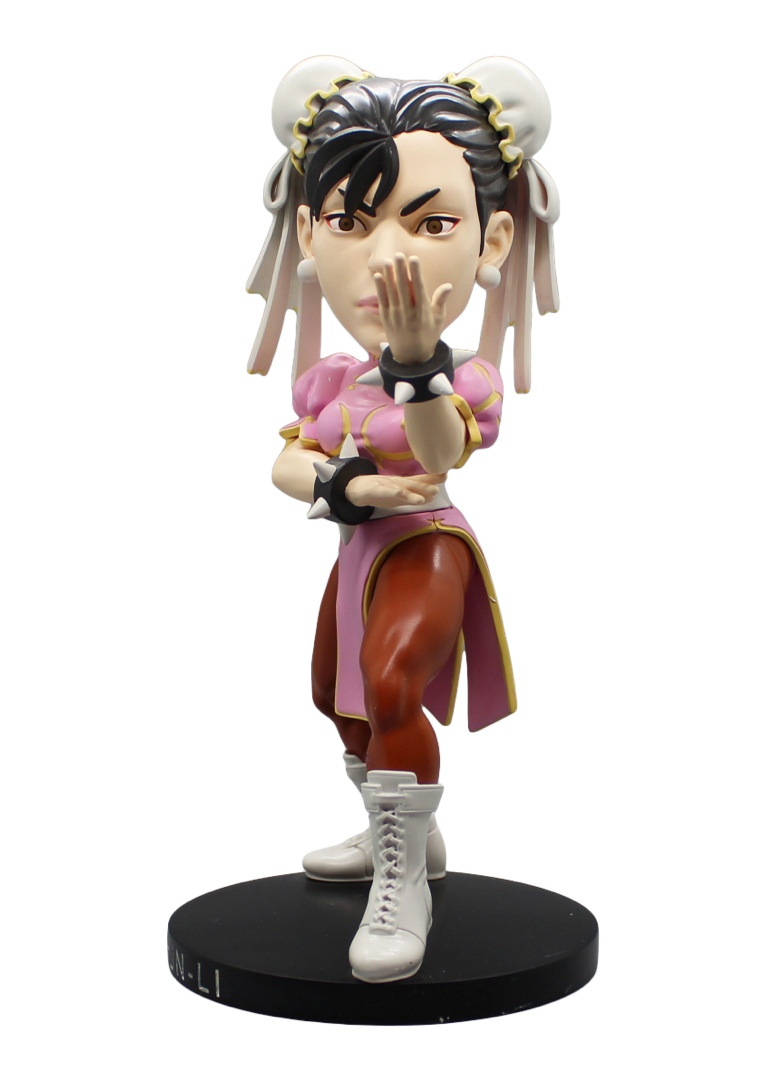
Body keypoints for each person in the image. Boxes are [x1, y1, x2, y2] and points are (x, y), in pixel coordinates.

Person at [248, 56, 559, 983]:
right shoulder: (335, 382)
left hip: (427, 549)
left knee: (389, 686)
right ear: (310, 232)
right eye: (351, 220)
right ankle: (403, 835)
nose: (390, 258)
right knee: (333, 693)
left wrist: (421, 364)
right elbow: (287, 462)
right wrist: (345, 489)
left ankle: (403, 882)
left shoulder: (464, 378)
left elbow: (440, 451)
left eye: (432, 223)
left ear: (492, 240)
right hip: (360, 550)